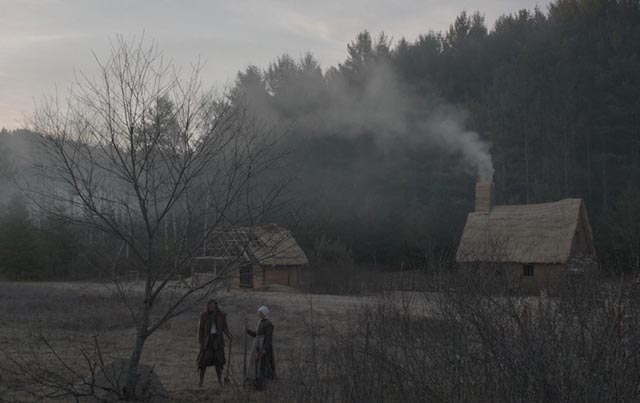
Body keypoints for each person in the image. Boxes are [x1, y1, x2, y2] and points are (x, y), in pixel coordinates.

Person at [197, 299, 232, 387]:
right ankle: (201, 382)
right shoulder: (204, 315)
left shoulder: (221, 315)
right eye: (210, 306)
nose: (211, 308)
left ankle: (220, 382)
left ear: (216, 306)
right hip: (207, 341)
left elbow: (225, 327)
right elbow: (201, 330)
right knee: (203, 362)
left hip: (218, 341)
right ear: (208, 306)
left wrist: (229, 335)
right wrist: (201, 342)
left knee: (218, 362)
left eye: (213, 306)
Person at [246, 305, 276, 390]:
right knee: (255, 363)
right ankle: (255, 381)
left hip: (264, 347)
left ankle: (262, 384)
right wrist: (248, 331)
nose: (259, 314)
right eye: (259, 313)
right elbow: (257, 335)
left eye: (260, 313)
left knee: (263, 364)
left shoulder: (269, 324)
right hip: (257, 345)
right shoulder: (260, 322)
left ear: (264, 313)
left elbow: (268, 338)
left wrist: (264, 349)